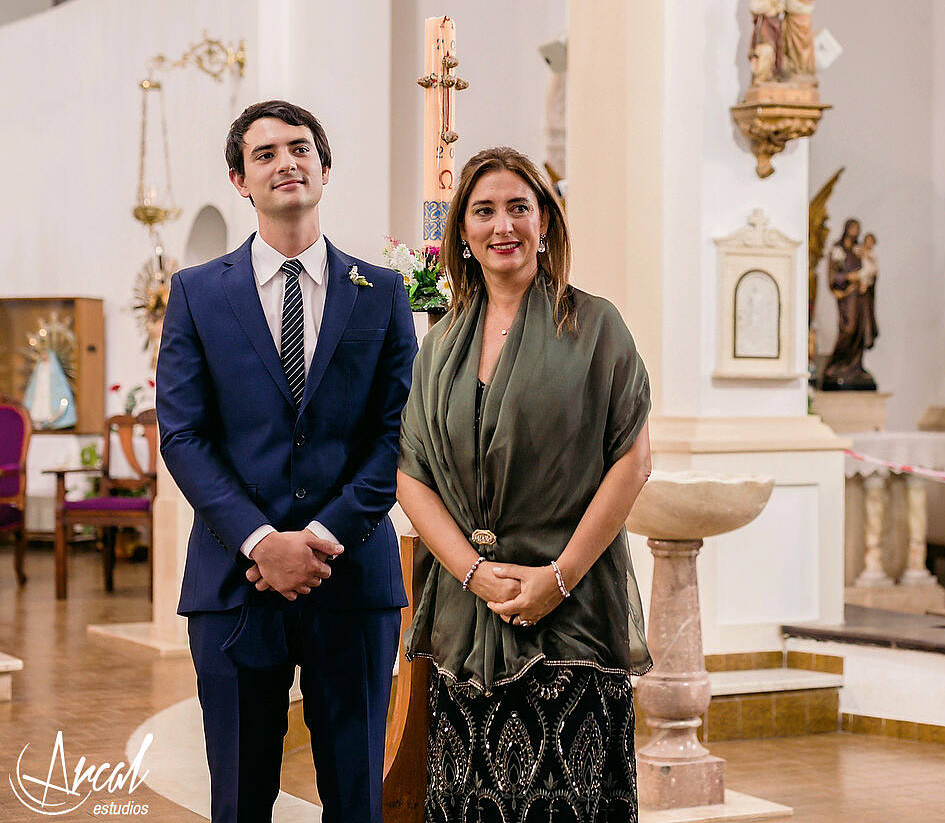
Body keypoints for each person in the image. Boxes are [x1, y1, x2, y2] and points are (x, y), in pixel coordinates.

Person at [156, 100, 416, 823]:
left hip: (353, 576)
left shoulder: (383, 292)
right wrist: (263, 541)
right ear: (240, 179)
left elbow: (397, 433)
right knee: (238, 797)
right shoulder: (198, 293)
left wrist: (322, 536)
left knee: (357, 794)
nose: (285, 163)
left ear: (325, 170)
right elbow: (182, 433)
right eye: (264, 154)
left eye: (299, 148)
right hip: (235, 582)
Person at [395, 146, 652, 822]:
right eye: (484, 211)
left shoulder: (594, 326)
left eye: (518, 207)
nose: (502, 224)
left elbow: (632, 461)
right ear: (462, 234)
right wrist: (474, 573)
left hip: (570, 617)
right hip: (468, 618)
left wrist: (558, 578)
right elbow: (411, 474)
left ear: (545, 223)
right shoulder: (442, 341)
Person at [821, 219, 875, 390]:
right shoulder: (838, 250)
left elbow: (870, 270)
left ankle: (855, 367)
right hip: (847, 297)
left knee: (860, 329)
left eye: (857, 229)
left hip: (861, 297)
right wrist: (846, 278)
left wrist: (868, 280)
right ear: (846, 229)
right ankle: (835, 365)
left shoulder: (858, 251)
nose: (854, 231)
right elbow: (833, 275)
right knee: (849, 328)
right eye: (852, 228)